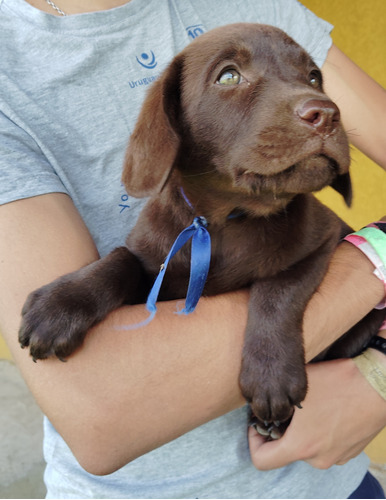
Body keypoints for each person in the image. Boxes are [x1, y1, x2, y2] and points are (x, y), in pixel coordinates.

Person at [0, 0, 385, 498]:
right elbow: (101, 422)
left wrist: (378, 369)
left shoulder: (254, 6)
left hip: (334, 483)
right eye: (230, 77)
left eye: (311, 77)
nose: (317, 105)